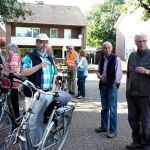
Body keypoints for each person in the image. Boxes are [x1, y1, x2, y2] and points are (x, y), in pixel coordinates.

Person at [21, 33, 58, 145]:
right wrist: (39, 66)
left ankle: (38, 143)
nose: (44, 45)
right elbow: (23, 72)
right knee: (31, 123)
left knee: (43, 121)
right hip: (34, 95)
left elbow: (55, 74)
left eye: (46, 42)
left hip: (47, 94)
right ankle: (29, 145)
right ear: (37, 43)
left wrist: (53, 87)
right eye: (41, 42)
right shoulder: (29, 57)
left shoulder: (50, 58)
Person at [126, 33, 150, 150]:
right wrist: (127, 90)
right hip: (131, 93)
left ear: (147, 41)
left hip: (145, 94)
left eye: (144, 41)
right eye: (139, 41)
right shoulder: (132, 55)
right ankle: (136, 141)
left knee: (146, 120)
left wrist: (146, 71)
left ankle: (147, 144)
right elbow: (129, 74)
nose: (142, 43)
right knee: (133, 119)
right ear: (135, 42)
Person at [95, 41, 122, 138]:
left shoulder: (116, 59)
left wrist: (112, 83)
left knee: (113, 109)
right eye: (105, 48)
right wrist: (99, 76)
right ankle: (103, 126)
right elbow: (98, 71)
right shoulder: (102, 59)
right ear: (103, 49)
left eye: (109, 48)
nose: (107, 50)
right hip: (102, 86)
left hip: (112, 87)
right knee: (104, 108)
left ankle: (113, 131)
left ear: (112, 48)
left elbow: (118, 75)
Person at [1, 43, 21, 119]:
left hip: (11, 83)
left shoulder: (14, 57)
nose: (7, 51)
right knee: (12, 102)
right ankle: (15, 118)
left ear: (13, 49)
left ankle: (16, 118)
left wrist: (5, 73)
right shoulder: (12, 57)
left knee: (13, 102)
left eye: (8, 49)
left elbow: (13, 69)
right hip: (9, 83)